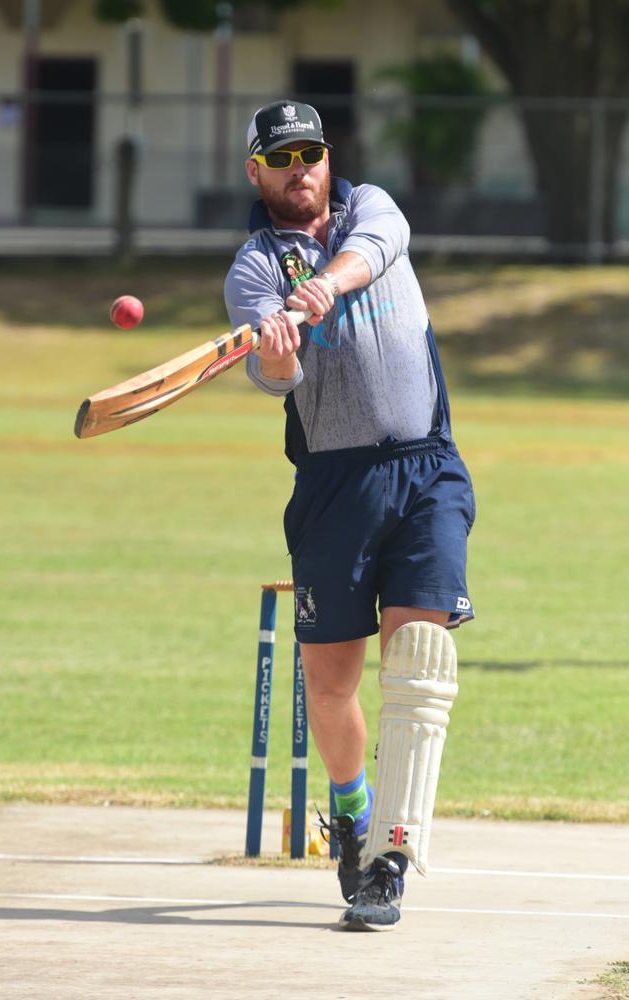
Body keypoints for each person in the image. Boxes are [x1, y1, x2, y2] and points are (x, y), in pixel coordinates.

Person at [224, 100, 475, 931]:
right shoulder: (254, 273)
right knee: (331, 686)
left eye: (313, 152)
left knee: (420, 654)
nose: (303, 169)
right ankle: (353, 810)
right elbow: (274, 384)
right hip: (335, 484)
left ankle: (392, 857)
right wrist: (276, 351)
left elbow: (373, 253)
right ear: (256, 171)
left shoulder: (373, 210)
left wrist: (325, 286)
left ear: (330, 158)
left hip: (427, 464)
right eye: (283, 157)